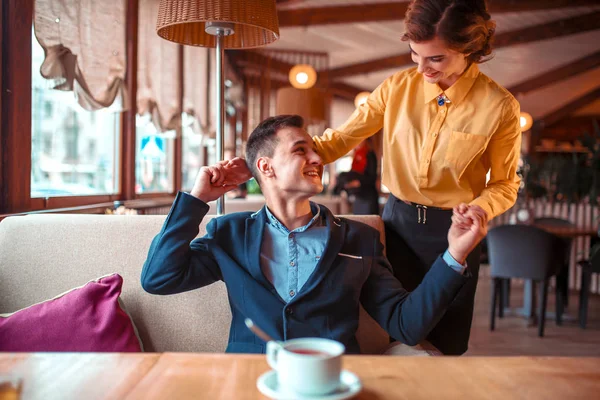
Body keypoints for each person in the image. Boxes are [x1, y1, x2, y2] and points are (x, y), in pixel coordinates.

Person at [141, 115, 488, 354]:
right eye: (300, 150)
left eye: (315, 150)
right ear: (266, 166)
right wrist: (197, 199)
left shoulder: (359, 239)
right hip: (252, 382)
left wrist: (454, 255)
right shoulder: (228, 234)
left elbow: (405, 325)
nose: (316, 158)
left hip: (331, 383)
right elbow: (159, 278)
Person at [310, 0, 522, 355]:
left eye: (435, 58)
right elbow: (341, 139)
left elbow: (505, 183)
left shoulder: (499, 107)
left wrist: (481, 208)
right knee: (389, 336)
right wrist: (284, 154)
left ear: (468, 50)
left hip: (455, 234)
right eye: (414, 54)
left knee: (446, 344)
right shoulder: (396, 89)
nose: (421, 67)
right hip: (396, 227)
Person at [332, 139, 380, 215]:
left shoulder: (370, 154)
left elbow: (372, 178)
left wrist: (358, 182)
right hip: (359, 196)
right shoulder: (356, 155)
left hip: (368, 197)